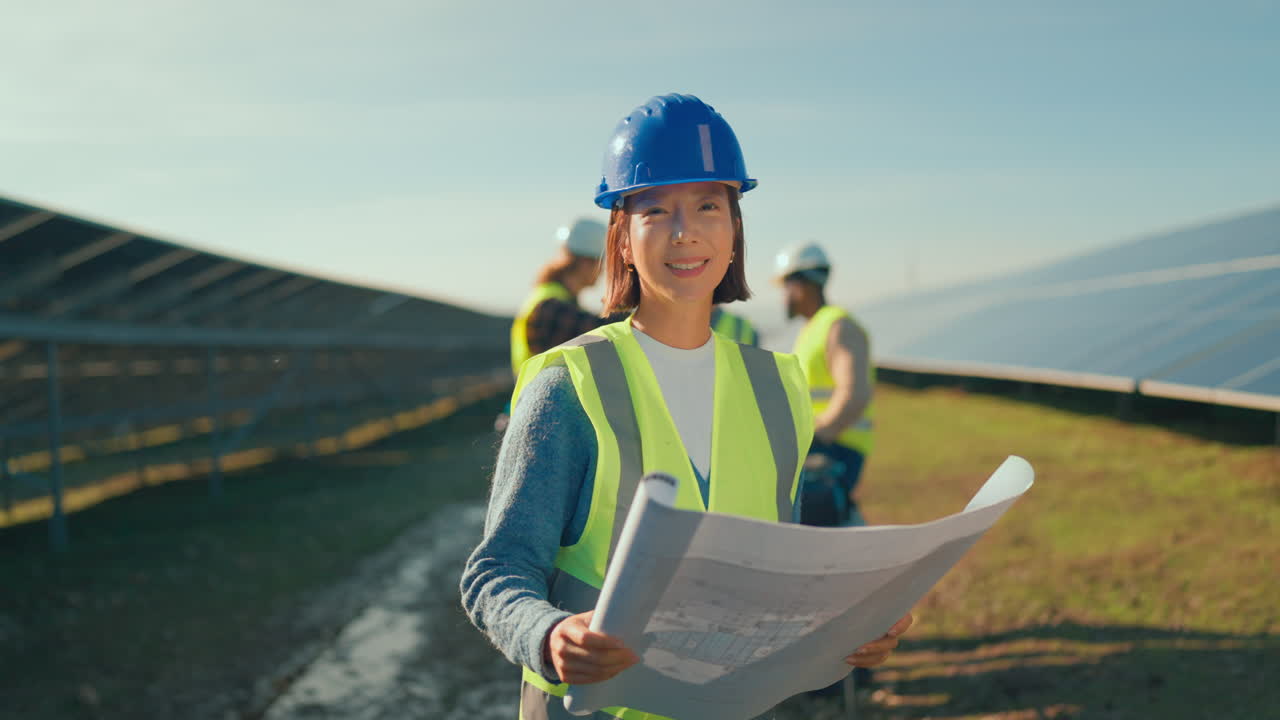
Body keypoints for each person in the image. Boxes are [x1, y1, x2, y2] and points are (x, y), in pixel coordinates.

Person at [461, 93, 911, 720]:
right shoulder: (569, 386)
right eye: (655, 209)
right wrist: (547, 635)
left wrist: (849, 622)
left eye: (708, 206)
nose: (686, 231)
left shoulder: (778, 391)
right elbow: (498, 571)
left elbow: (771, 576)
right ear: (621, 238)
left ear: (734, 229)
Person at [775, 242, 875, 528]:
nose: (783, 296)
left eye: (785, 286)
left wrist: (815, 436)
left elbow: (854, 395)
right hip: (822, 448)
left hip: (836, 450)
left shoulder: (839, 328)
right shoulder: (813, 329)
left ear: (801, 285)